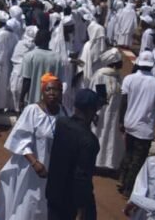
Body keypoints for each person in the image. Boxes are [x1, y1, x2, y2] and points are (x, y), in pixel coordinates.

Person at [0, 73, 64, 220]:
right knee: (28, 204)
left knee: (45, 205)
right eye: (48, 90)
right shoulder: (32, 111)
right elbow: (20, 139)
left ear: (61, 92)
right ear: (42, 92)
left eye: (56, 90)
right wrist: (34, 163)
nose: (52, 93)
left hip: (53, 170)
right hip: (29, 168)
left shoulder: (64, 114)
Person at [45, 89, 101, 220]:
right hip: (71, 202)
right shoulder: (89, 141)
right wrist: (81, 209)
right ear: (90, 111)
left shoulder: (61, 123)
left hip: (54, 192)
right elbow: (82, 177)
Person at [119, 51, 155, 196]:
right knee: (138, 160)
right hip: (145, 128)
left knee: (128, 153)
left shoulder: (129, 79)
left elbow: (124, 102)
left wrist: (121, 121)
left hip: (130, 124)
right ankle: (129, 188)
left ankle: (123, 180)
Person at [90, 48, 124, 171]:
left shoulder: (118, 77)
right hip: (101, 112)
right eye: (120, 61)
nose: (122, 63)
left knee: (109, 136)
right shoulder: (100, 75)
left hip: (113, 114)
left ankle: (105, 163)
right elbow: (97, 95)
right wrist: (94, 112)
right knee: (98, 135)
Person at [20, 29, 67, 110]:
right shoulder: (57, 58)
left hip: (33, 103)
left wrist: (21, 99)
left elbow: (26, 81)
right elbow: (59, 83)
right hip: (51, 104)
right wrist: (60, 100)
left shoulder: (29, 56)